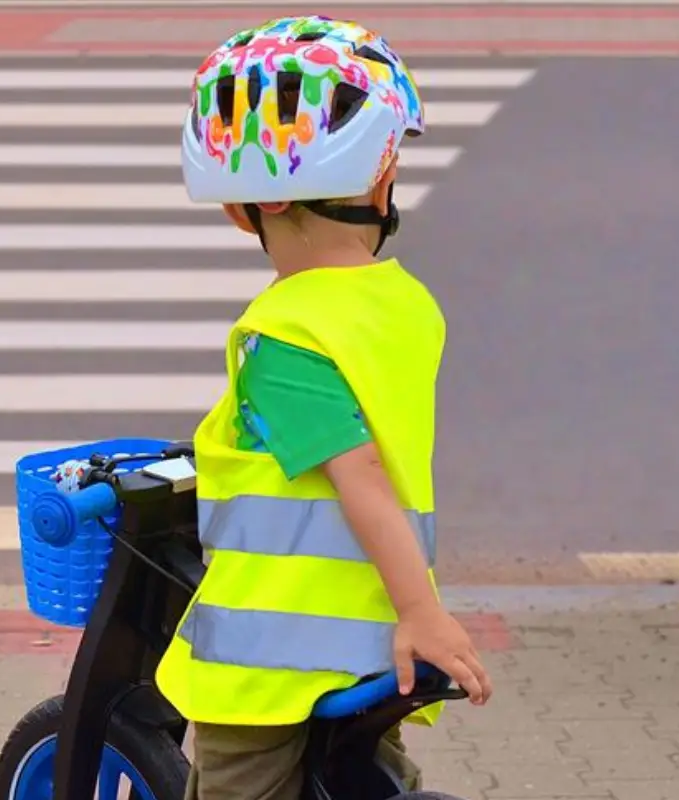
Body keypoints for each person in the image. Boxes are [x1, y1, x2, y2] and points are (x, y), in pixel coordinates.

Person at [152, 15, 495, 800]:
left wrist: (424, 613)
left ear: (243, 208)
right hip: (369, 635)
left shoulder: (284, 335)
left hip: (271, 658)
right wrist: (415, 611)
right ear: (381, 184)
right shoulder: (403, 303)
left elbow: (360, 475)